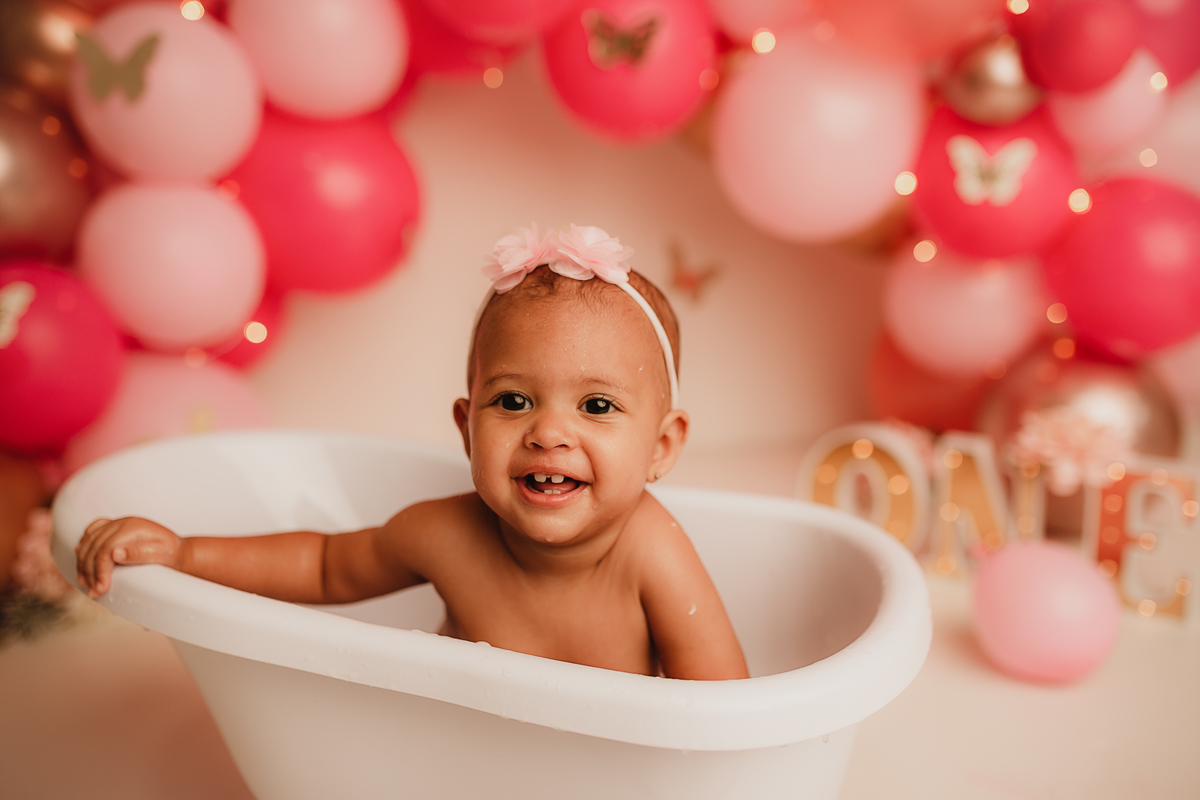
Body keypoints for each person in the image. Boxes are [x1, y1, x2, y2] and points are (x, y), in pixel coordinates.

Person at [75, 224, 749, 681]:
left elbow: (724, 704)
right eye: (513, 401)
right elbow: (323, 566)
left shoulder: (650, 554)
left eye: (596, 407)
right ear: (466, 426)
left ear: (662, 447)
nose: (548, 433)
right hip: (453, 756)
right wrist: (185, 554)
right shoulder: (445, 534)